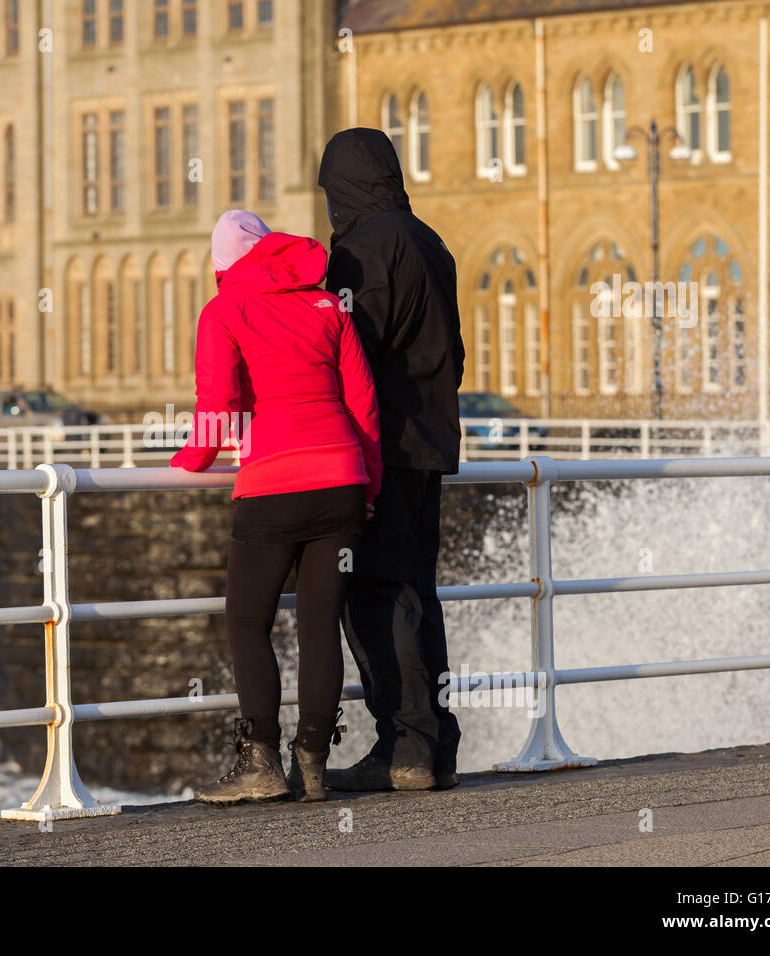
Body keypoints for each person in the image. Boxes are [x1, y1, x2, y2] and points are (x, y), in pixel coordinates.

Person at [171, 210, 382, 805]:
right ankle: (313, 763)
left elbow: (215, 407)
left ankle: (261, 760)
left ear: (223, 265)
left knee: (246, 621)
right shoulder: (328, 306)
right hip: (341, 480)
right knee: (320, 625)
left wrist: (191, 460)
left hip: (272, 486)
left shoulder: (224, 310)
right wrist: (367, 488)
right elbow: (363, 408)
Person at [316, 128, 465, 792]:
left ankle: (404, 744)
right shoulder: (432, 242)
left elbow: (352, 360)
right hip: (431, 445)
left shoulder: (359, 253)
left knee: (378, 594)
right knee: (418, 593)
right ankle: (435, 744)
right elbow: (453, 354)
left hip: (380, 450)